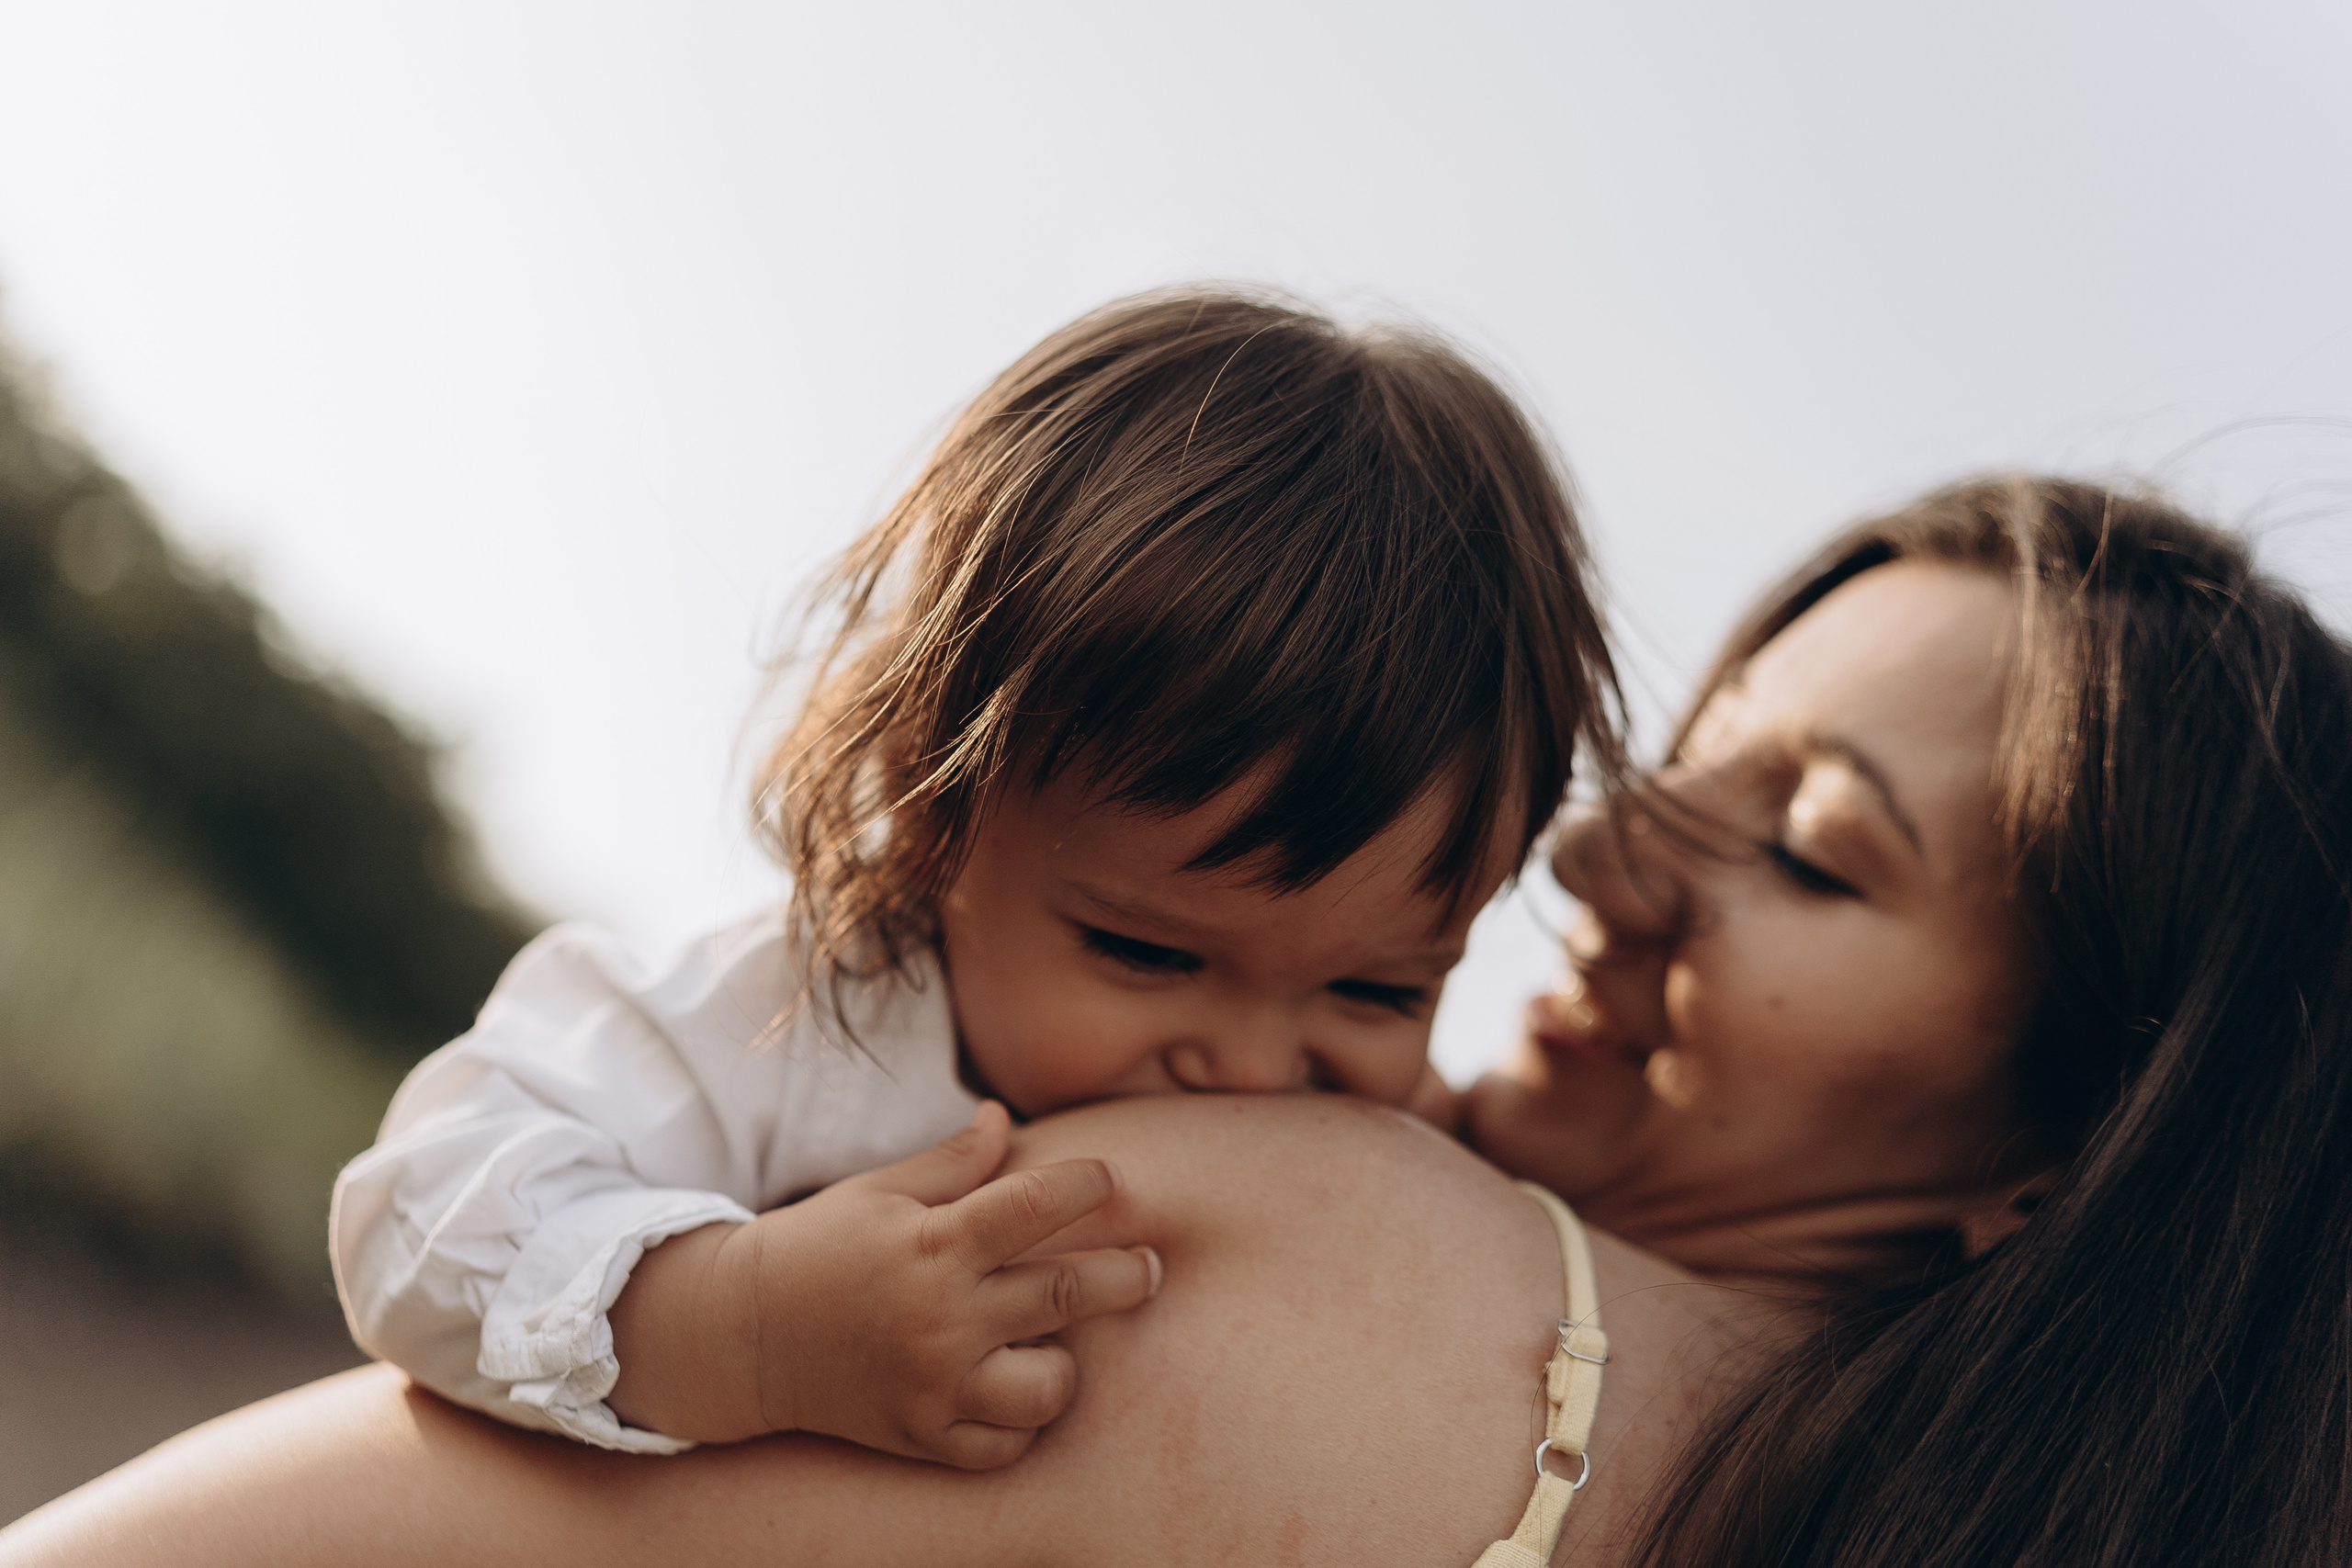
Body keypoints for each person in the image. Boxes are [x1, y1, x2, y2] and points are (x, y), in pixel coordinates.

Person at [6, 476, 2344, 1566]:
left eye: (1808, 848)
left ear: (2072, 1155)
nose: (1605, 862)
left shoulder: (1284, 1249)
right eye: (1669, 774)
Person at [327, 287, 1620, 1467]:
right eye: (1153, 955)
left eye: (1377, 993)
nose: (1253, 1066)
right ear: (930, 801)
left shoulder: (1400, 1143)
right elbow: (422, 1212)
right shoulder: (806, 1024)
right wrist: (745, 1323)